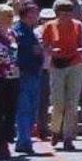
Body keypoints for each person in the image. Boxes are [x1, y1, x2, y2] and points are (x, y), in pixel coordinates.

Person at [42, 0, 82, 151]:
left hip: (74, 63)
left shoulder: (77, 25)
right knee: (58, 101)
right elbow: (44, 46)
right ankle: (55, 130)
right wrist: (51, 51)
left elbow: (81, 44)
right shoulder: (49, 26)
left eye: (69, 12)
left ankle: (68, 137)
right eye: (63, 12)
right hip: (57, 65)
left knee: (72, 102)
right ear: (57, 13)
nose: (66, 15)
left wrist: (80, 49)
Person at [0, 3, 20, 161]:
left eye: (11, 15)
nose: (10, 18)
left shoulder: (12, 34)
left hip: (13, 76)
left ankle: (6, 140)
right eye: (7, 15)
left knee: (10, 110)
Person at [13, 1, 43, 154]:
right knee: (24, 109)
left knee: (32, 109)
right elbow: (18, 52)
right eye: (34, 12)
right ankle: (23, 141)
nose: (37, 15)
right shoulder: (17, 31)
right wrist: (35, 50)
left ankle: (25, 139)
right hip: (23, 74)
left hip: (34, 73)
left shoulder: (31, 31)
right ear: (26, 14)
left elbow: (37, 51)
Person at [34, 7, 55, 142]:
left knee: (55, 100)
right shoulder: (36, 32)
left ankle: (56, 129)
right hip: (42, 69)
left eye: (50, 19)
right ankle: (42, 129)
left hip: (56, 68)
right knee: (42, 101)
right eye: (45, 19)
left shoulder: (57, 30)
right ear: (41, 20)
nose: (47, 22)